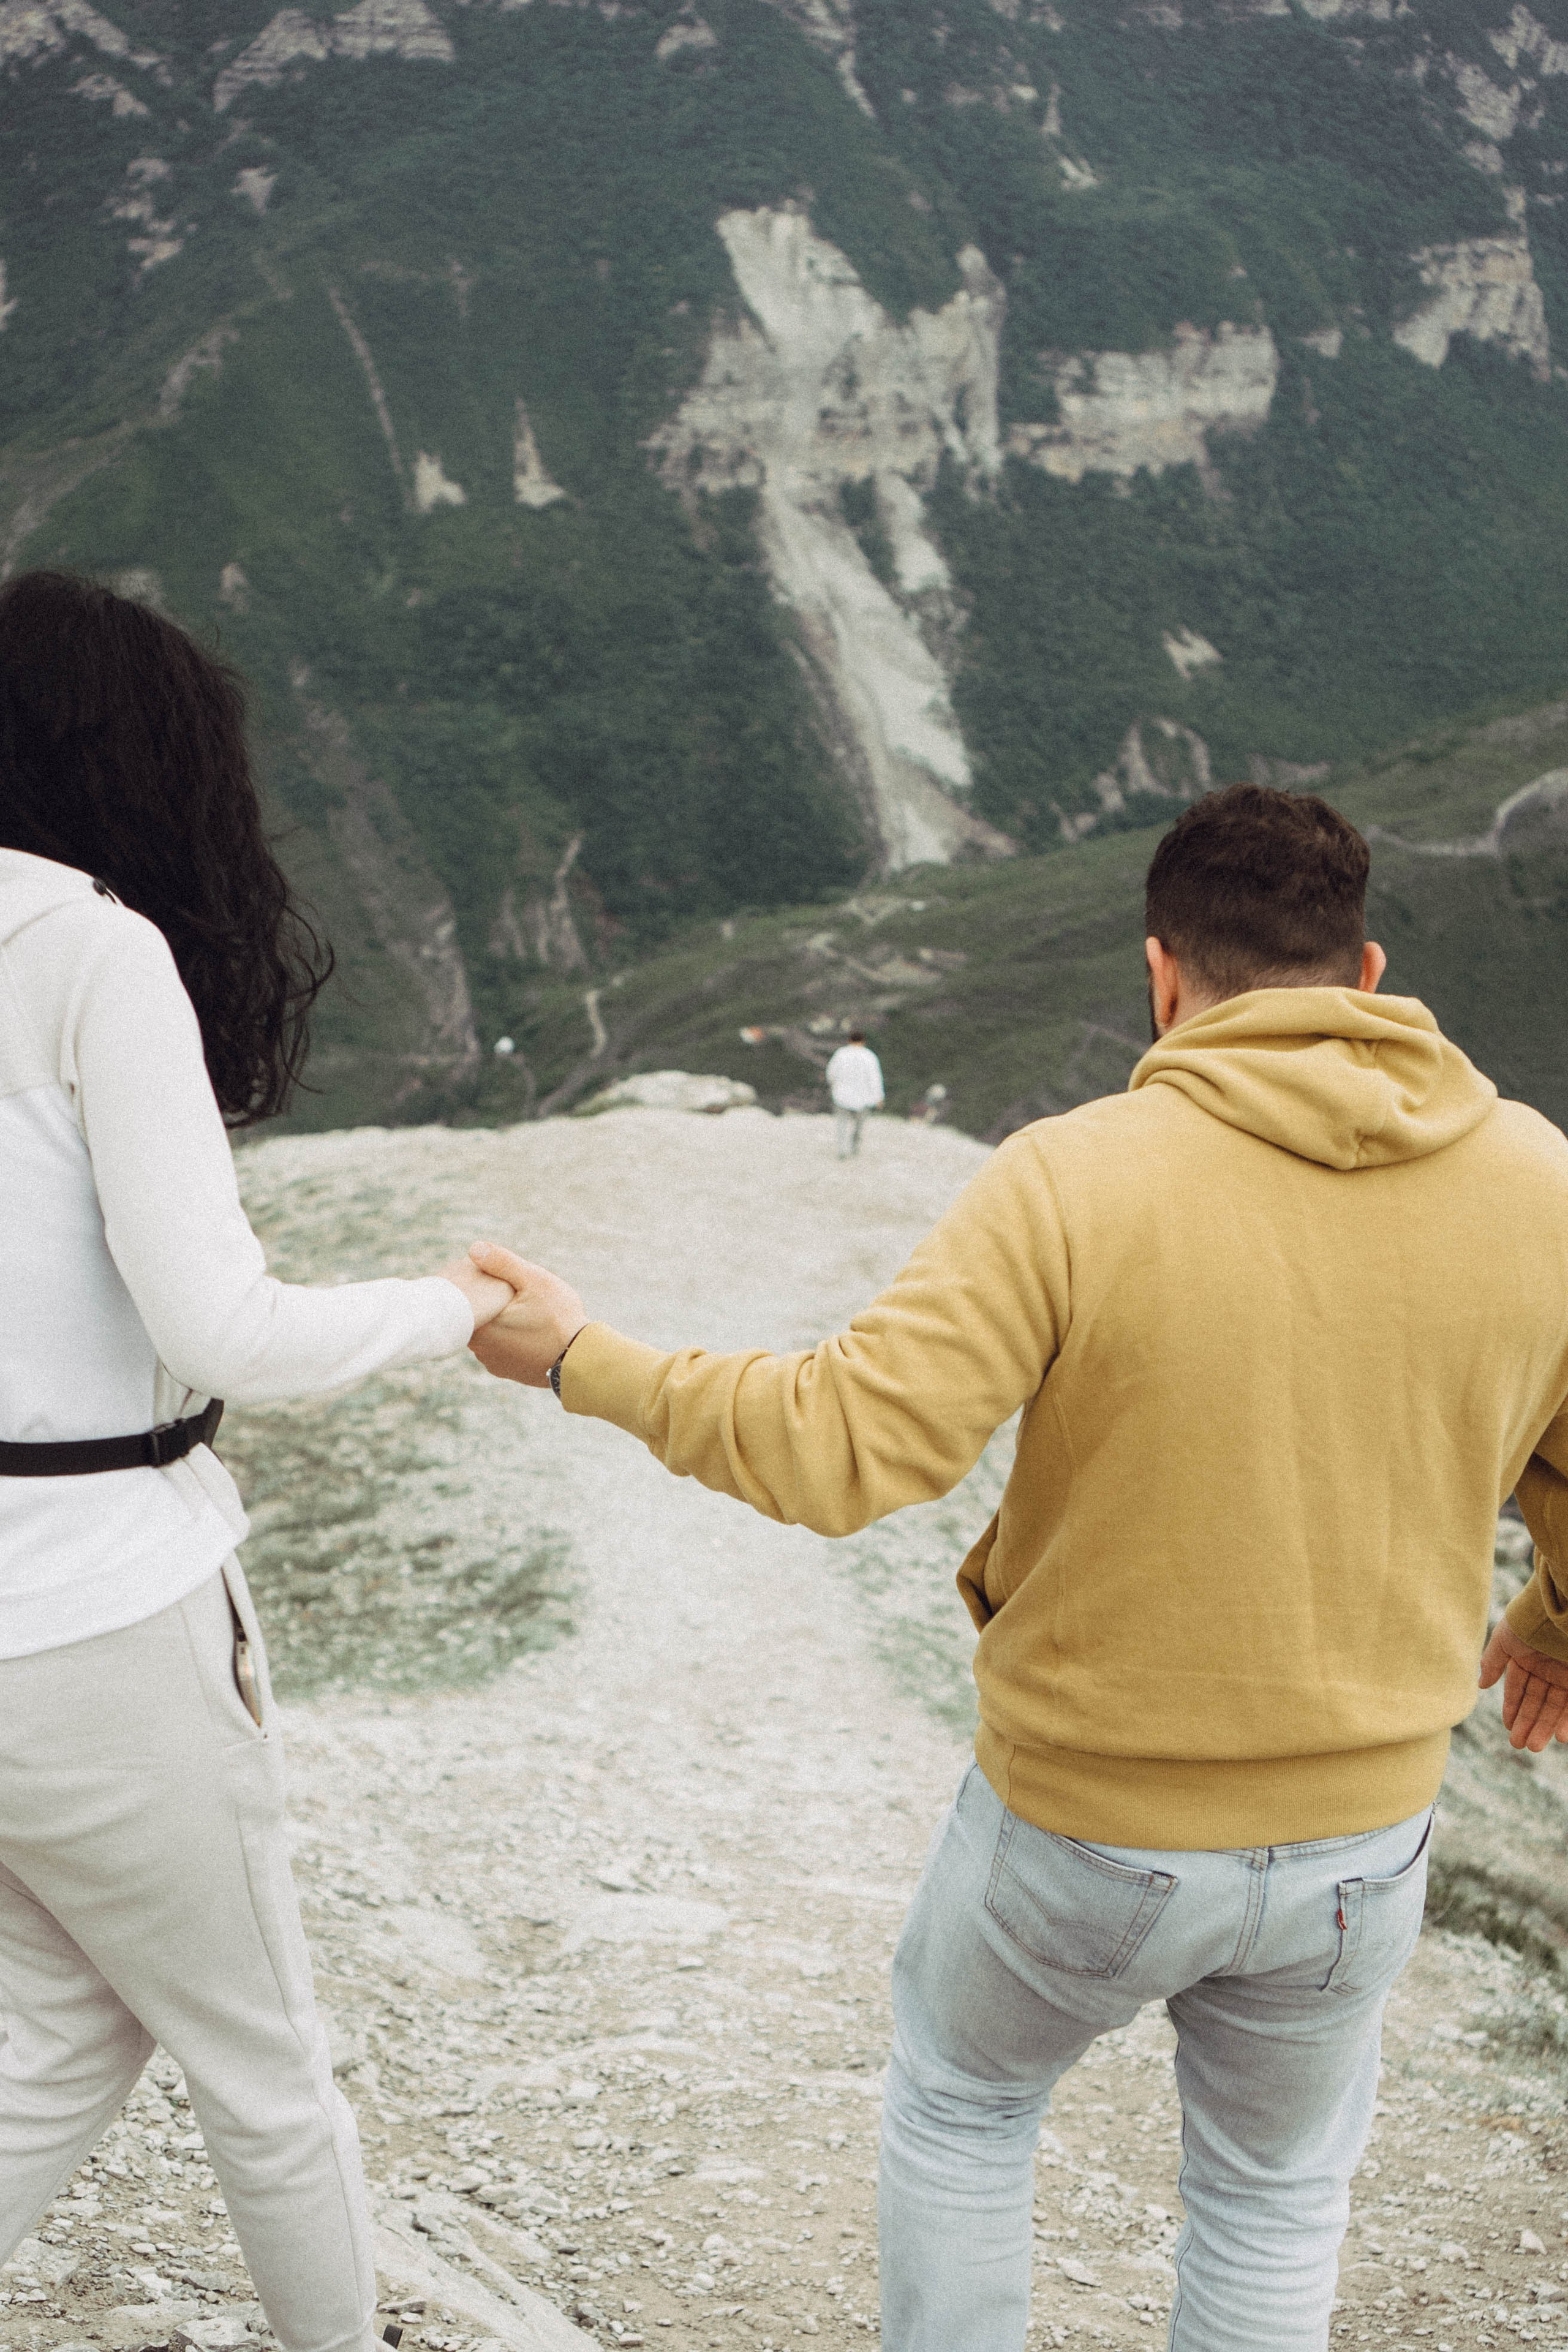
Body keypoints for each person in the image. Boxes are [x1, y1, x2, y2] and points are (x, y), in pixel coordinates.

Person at [464, 783, 1568, 2352]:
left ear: (1161, 974)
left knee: (967, 2108)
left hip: (1086, 1820)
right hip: (1360, 1840)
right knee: (1269, 2199)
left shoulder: (1072, 1175)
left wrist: (580, 1354)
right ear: (1370, 972)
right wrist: (1551, 1622)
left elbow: (837, 1446)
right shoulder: (1538, 1182)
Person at [0, 572, 516, 2352]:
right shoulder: (92, 953)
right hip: (99, 1607)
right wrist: (450, 1305)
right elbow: (224, 1329)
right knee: (267, 2063)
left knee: (64, 2018)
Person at [826, 1025, 884, 1158]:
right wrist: (879, 1098)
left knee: (842, 1124)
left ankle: (842, 1151)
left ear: (849, 1040)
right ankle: (855, 1148)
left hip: (841, 1096)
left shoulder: (841, 1054)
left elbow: (831, 1073)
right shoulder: (870, 1057)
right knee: (858, 1126)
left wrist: (833, 1086)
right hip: (864, 1098)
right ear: (863, 1041)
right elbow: (875, 1079)